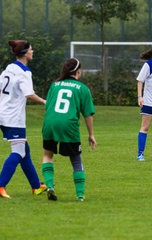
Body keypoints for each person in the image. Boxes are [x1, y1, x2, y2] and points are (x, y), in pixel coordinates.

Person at [0, 40, 47, 199]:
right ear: (25, 53)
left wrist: (3, 106)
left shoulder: (10, 68)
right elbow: (29, 94)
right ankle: (0, 185)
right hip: (13, 119)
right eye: (31, 49)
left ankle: (36, 186)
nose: (33, 51)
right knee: (18, 152)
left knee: (25, 151)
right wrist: (44, 102)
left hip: (3, 115)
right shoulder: (24, 72)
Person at [41, 58, 96, 202]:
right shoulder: (83, 88)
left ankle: (50, 186)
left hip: (50, 122)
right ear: (78, 71)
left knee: (48, 155)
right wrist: (91, 135)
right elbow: (88, 114)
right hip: (69, 124)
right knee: (76, 160)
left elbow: (47, 108)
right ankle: (80, 195)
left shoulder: (55, 85)